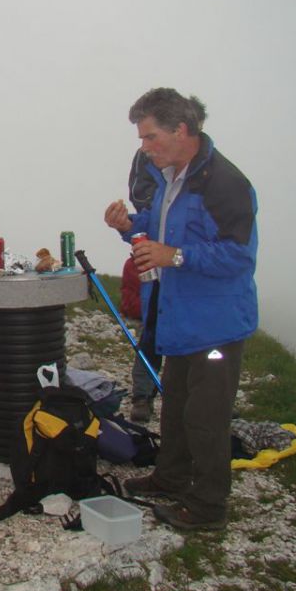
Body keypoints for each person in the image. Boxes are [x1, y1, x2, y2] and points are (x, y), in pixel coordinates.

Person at [104, 88, 258, 531]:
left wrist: (176, 256)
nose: (145, 148)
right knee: (175, 406)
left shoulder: (225, 184)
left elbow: (238, 256)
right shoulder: (174, 175)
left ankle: (208, 508)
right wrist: (129, 225)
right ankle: (170, 477)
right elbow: (158, 227)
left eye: (151, 137)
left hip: (217, 326)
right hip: (180, 320)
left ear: (182, 129)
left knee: (206, 419)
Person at [125, 148, 163, 423]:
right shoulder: (148, 155)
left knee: (194, 340)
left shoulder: (207, 171)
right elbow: (141, 199)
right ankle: (142, 395)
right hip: (155, 260)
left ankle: (207, 400)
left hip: (186, 269)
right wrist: (127, 224)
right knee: (151, 330)